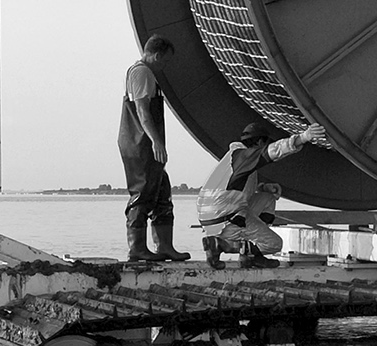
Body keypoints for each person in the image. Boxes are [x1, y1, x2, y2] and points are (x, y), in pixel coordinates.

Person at [197, 118, 327, 269]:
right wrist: (303, 137)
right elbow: (274, 151)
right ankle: (222, 245)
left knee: (267, 198)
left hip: (218, 216)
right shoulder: (245, 156)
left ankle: (251, 257)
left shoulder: (234, 159)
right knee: (274, 244)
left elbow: (234, 189)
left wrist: (263, 187)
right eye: (264, 143)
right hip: (225, 222)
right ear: (259, 142)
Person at [119, 35, 188, 266]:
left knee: (161, 191)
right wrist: (156, 142)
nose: (165, 66)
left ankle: (165, 246)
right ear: (157, 55)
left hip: (144, 142)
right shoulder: (142, 72)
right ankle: (137, 248)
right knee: (143, 191)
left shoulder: (145, 73)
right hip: (139, 143)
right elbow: (142, 112)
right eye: (165, 61)